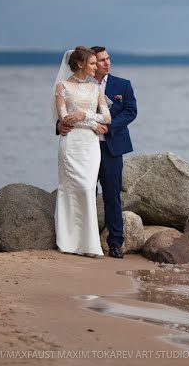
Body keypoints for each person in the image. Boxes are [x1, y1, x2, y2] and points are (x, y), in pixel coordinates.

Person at [57, 46, 137, 258]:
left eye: (107, 59)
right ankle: (83, 240)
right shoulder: (71, 85)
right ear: (88, 62)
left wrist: (107, 126)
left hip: (111, 147)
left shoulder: (123, 85)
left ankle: (115, 243)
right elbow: (66, 111)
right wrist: (59, 125)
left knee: (112, 195)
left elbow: (131, 112)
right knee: (85, 191)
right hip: (82, 146)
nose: (106, 63)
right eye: (101, 60)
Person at [52, 46, 111, 257]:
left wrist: (83, 115)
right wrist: (88, 120)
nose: (96, 67)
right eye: (93, 63)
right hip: (71, 144)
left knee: (87, 189)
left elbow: (106, 118)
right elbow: (65, 118)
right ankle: (68, 242)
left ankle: (89, 244)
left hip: (90, 146)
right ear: (80, 64)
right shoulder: (62, 87)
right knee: (69, 189)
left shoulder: (96, 89)